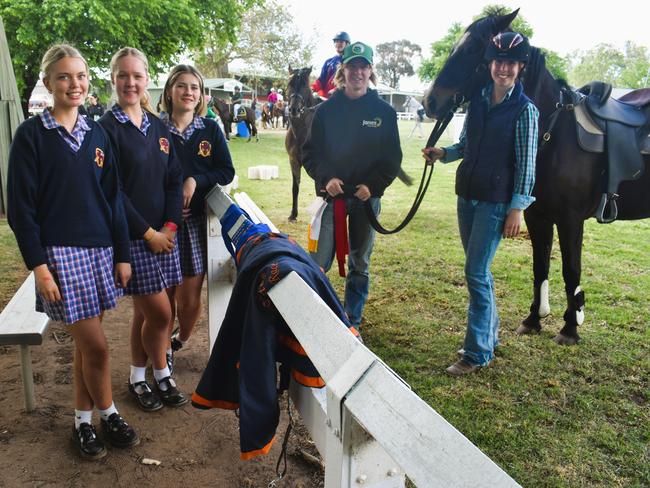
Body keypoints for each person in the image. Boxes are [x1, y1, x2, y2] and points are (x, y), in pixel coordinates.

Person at [7, 43, 139, 460]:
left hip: (100, 251)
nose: (75, 84)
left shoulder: (97, 133)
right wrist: (39, 268)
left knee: (88, 348)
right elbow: (21, 208)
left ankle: (83, 425)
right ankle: (110, 412)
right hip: (59, 256)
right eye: (64, 77)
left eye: (81, 76)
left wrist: (122, 253)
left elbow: (113, 197)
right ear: (48, 83)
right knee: (96, 346)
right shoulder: (32, 136)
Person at [422, 31, 539, 376]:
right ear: (490, 64)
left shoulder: (525, 111)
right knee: (479, 271)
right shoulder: (478, 102)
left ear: (520, 67)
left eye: (510, 63)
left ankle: (476, 353)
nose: (503, 68)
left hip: (495, 202)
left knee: (475, 272)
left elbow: (527, 164)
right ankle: (488, 337)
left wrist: (517, 207)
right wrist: (443, 154)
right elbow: (466, 145)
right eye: (498, 61)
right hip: (467, 196)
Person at [99, 47, 188, 411]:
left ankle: (139, 377)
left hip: (166, 236)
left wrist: (169, 226)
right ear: (113, 80)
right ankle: (162, 371)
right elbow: (112, 191)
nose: (130, 82)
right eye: (123, 76)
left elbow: (173, 178)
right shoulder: (106, 129)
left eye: (137, 76)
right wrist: (149, 233)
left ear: (147, 80)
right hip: (135, 239)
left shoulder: (158, 127)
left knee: (145, 315)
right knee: (161, 315)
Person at [303, 41, 402, 331]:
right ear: (342, 70)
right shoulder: (325, 111)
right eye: (352, 66)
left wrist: (373, 186)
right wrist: (326, 180)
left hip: (366, 201)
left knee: (360, 262)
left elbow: (392, 158)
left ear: (370, 71)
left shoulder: (384, 112)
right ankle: (314, 319)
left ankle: (352, 320)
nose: (358, 72)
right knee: (318, 261)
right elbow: (310, 153)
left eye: (363, 66)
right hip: (331, 199)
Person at [159, 64, 235, 369]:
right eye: (182, 86)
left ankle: (181, 339)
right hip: (162, 224)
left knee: (188, 299)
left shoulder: (210, 129)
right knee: (164, 299)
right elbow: (143, 174)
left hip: (194, 226)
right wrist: (168, 201)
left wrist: (195, 180)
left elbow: (225, 170)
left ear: (201, 94)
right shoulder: (155, 128)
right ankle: (162, 352)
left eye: (194, 87)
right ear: (169, 91)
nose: (188, 92)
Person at [311, 31, 351, 99]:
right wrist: (312, 88)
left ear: (347, 44)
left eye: (341, 42)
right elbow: (321, 80)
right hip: (326, 99)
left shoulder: (351, 61)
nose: (338, 44)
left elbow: (351, 81)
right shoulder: (328, 62)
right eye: (336, 42)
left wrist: (337, 90)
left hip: (343, 98)